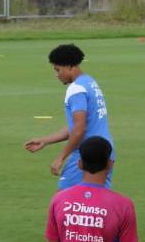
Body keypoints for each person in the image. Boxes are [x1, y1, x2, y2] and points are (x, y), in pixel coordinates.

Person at [25, 44, 114, 190]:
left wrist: (60, 158)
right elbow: (78, 125)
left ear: (69, 66)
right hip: (106, 151)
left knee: (66, 198)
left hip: (87, 153)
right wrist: (45, 141)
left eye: (58, 69)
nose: (56, 74)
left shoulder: (76, 89)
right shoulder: (90, 82)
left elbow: (79, 129)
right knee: (99, 200)